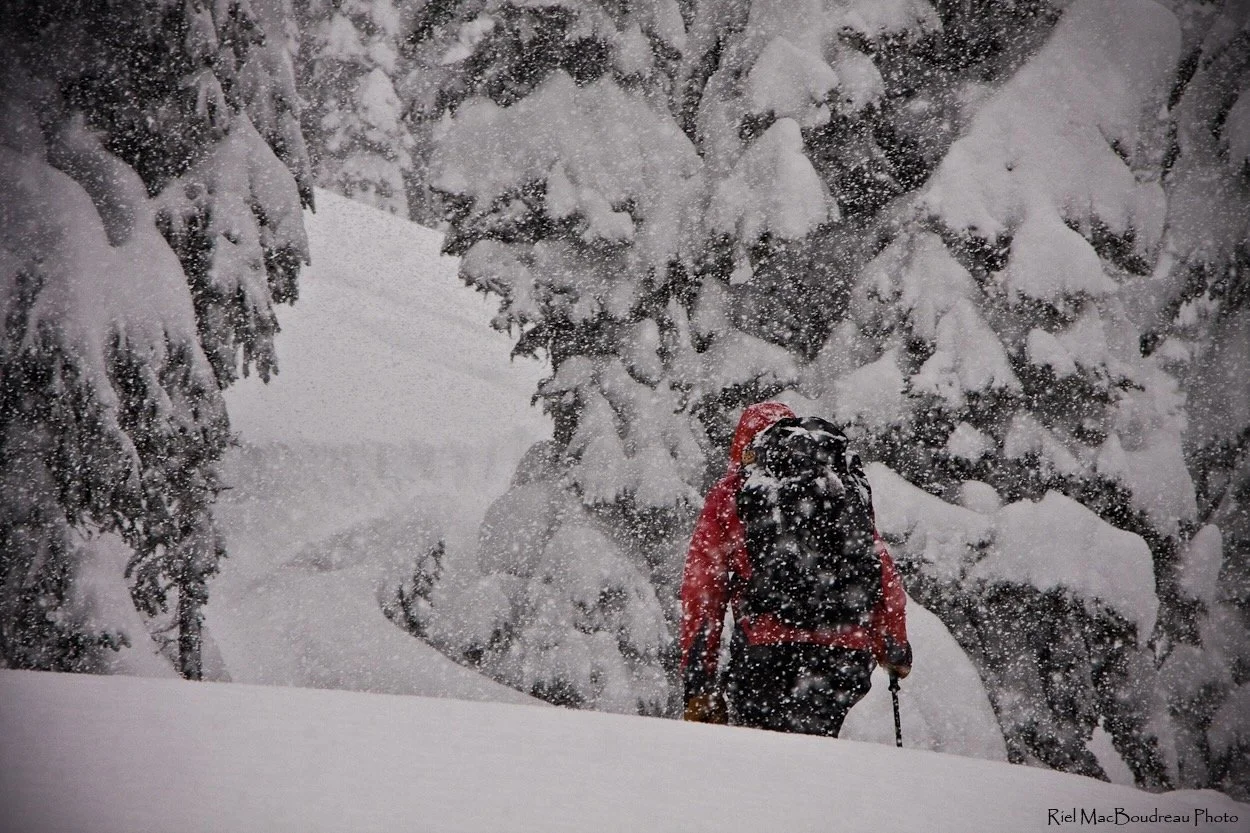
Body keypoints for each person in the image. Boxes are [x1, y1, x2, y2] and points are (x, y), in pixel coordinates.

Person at [679, 401, 912, 736]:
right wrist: (893, 647)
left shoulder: (734, 492)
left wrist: (699, 683)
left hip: (766, 653)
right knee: (816, 752)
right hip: (843, 655)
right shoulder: (835, 484)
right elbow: (880, 568)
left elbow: (703, 593)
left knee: (761, 759)